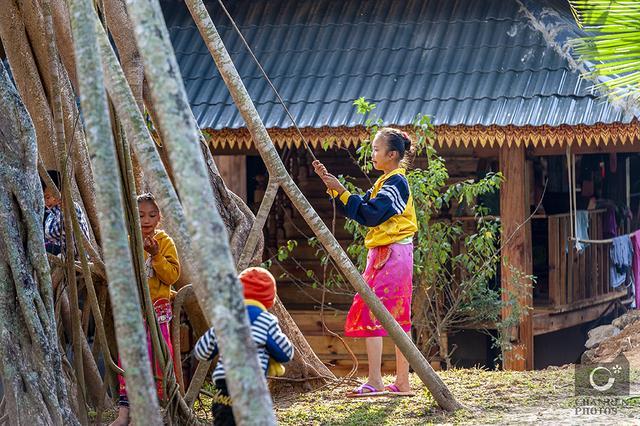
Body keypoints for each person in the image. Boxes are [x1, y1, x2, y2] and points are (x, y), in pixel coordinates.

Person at [313, 127, 417, 397]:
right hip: (384, 253)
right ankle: (378, 380)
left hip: (394, 254)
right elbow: (361, 208)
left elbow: (371, 215)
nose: (372, 154)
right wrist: (336, 189)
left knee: (393, 314)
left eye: (376, 150)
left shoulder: (397, 183)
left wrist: (343, 192)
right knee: (377, 311)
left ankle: (397, 381)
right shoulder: (385, 182)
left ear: (392, 154)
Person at [111, 193, 181, 426]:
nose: (146, 220)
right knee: (128, 358)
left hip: (157, 314)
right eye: (140, 215)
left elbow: (172, 275)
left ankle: (156, 409)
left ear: (159, 217)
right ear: (132, 216)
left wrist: (156, 255)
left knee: (157, 357)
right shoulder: (128, 242)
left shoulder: (165, 242)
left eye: (152, 215)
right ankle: (125, 412)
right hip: (132, 312)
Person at [194, 267, 294, 426]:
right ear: (270, 299)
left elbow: (201, 351)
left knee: (225, 421)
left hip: (225, 391)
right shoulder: (266, 321)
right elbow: (286, 353)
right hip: (252, 388)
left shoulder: (225, 320)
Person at [41, 169, 90, 255]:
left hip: (76, 257)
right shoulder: (50, 213)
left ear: (59, 191)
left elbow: (62, 228)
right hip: (60, 253)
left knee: (42, 247)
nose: (46, 202)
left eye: (48, 197)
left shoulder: (72, 207)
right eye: (43, 198)